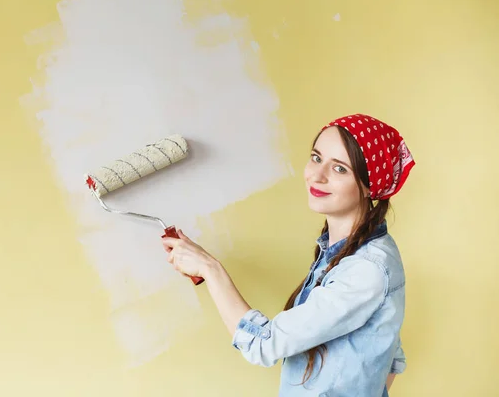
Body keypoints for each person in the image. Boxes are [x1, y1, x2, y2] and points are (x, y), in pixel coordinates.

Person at [161, 114, 415, 396]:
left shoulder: (365, 268)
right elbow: (392, 359)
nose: (317, 176)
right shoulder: (350, 251)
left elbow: (262, 346)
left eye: (340, 169)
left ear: (370, 186)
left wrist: (210, 269)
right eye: (317, 158)